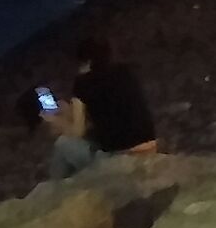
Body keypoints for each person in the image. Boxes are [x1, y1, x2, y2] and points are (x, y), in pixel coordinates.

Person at [43, 35, 158, 179]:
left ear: (86, 62)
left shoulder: (82, 84)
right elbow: (111, 113)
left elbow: (77, 132)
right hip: (150, 148)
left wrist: (54, 120)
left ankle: (56, 188)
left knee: (62, 144)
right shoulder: (126, 72)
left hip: (121, 160)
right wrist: (70, 110)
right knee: (87, 141)